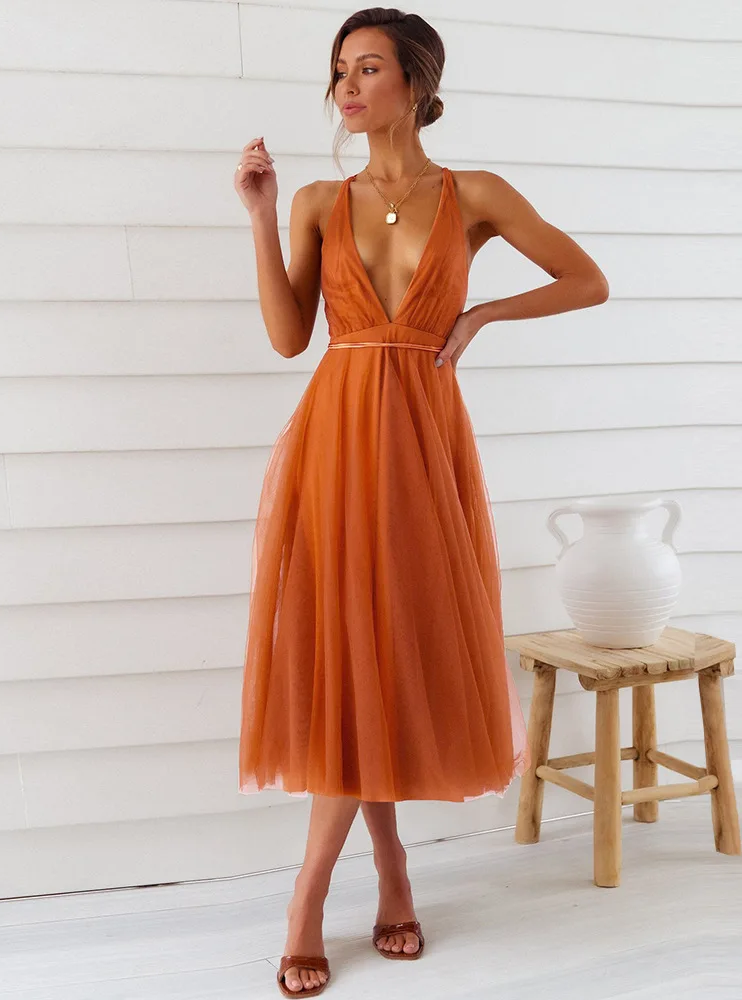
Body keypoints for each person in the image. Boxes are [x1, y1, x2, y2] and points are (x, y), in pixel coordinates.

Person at [233, 8, 608, 996]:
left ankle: (368, 875)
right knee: (349, 655)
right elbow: (288, 338)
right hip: (336, 440)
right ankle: (332, 887)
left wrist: (480, 312)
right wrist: (261, 216)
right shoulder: (319, 199)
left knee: (393, 650)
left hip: (424, 443)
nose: (347, 88)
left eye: (368, 68)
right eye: (339, 71)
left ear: (415, 82)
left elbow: (586, 279)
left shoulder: (473, 194)